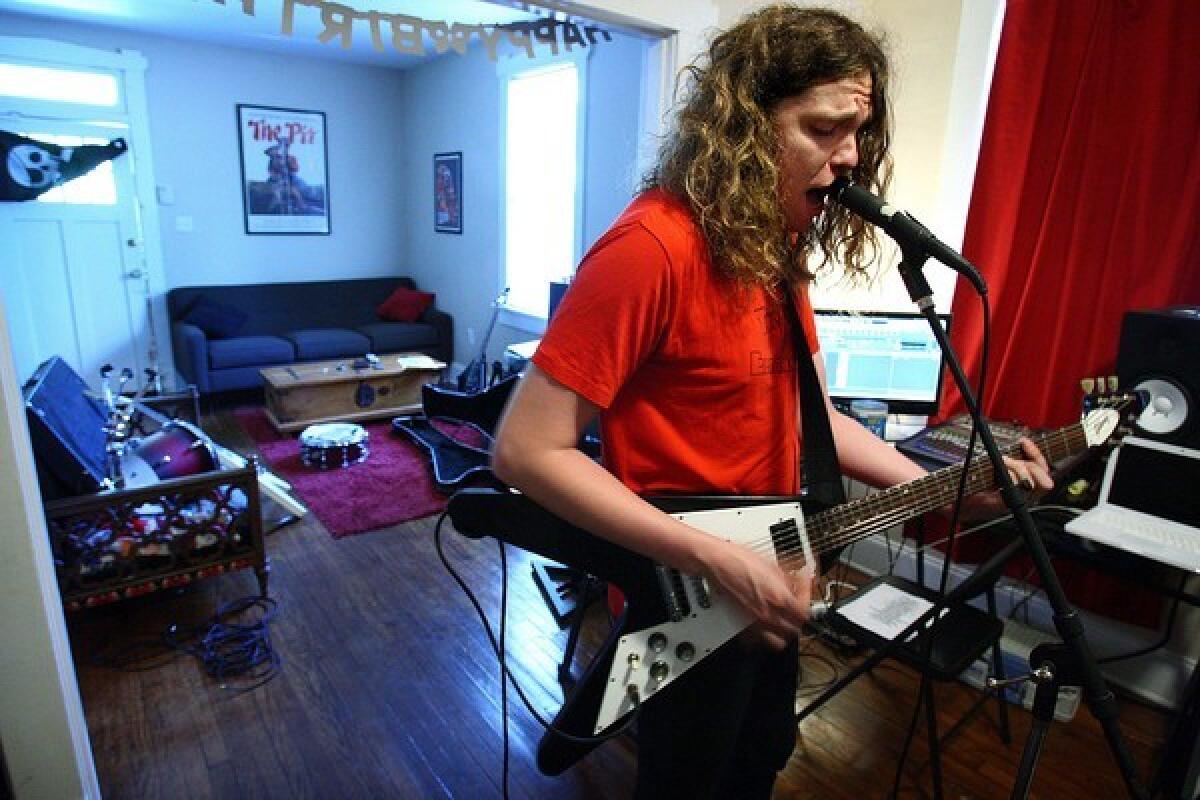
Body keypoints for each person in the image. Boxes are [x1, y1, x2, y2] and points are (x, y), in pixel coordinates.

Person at [491, 6, 1052, 798]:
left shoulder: (771, 249)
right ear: (745, 123)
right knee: (688, 781)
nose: (850, 159)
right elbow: (525, 451)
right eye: (824, 130)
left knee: (758, 761)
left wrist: (959, 487)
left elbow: (813, 420)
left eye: (858, 133)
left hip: (773, 569)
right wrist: (712, 557)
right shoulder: (652, 248)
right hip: (687, 587)